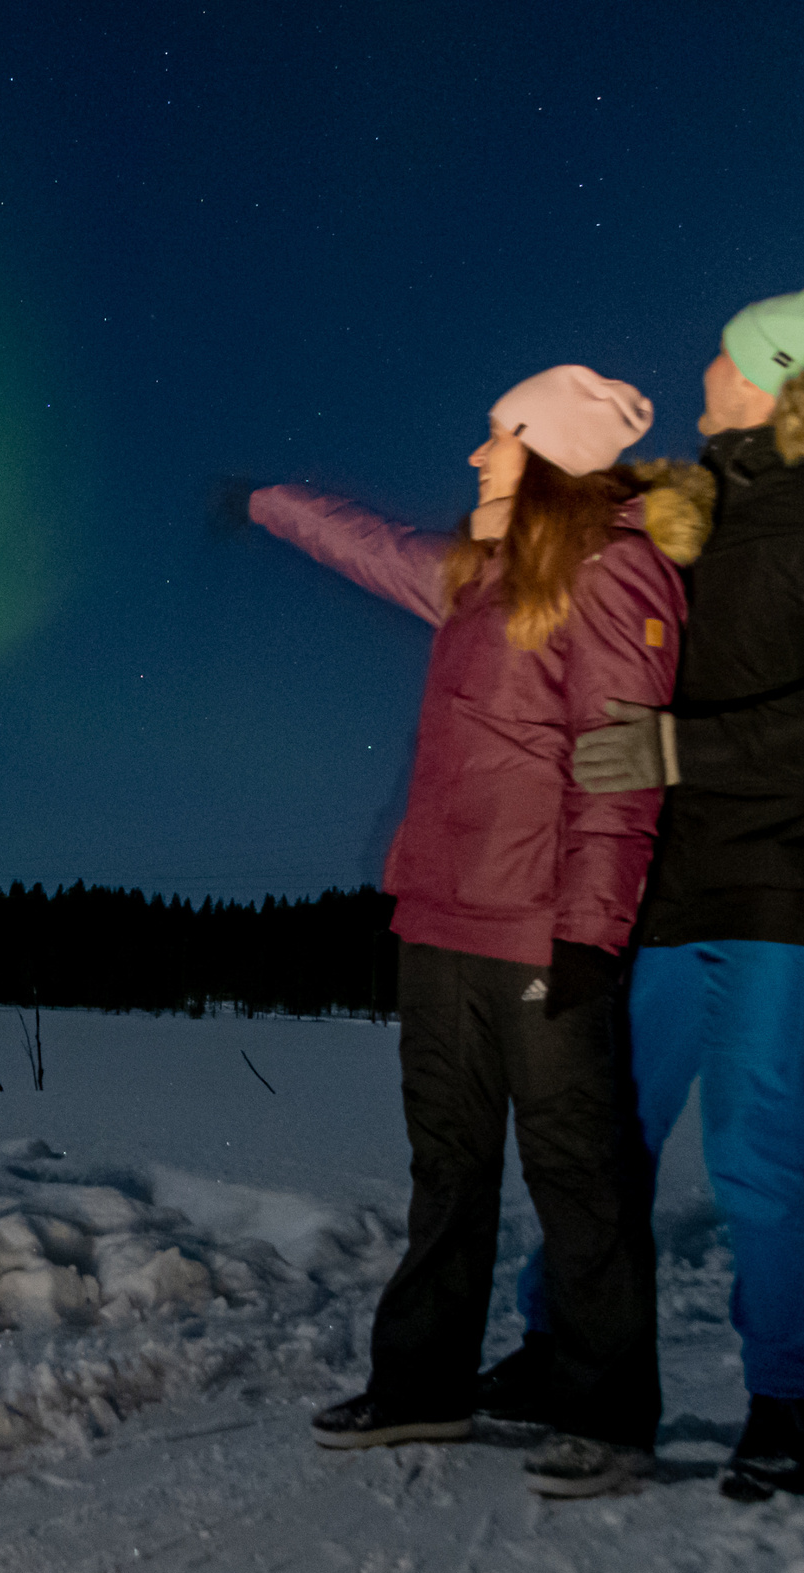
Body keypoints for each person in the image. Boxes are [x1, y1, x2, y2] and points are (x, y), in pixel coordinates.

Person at [241, 365, 709, 1498]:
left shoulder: (615, 571)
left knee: (576, 1175)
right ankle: (421, 1387)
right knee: (446, 1166)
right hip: (440, 915)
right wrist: (269, 500)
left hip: (547, 928)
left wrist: (591, 936)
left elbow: (618, 773)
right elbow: (374, 548)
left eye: (496, 437)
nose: (474, 457)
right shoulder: (476, 578)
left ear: (546, 455)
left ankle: (607, 1414)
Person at [559, 289, 804, 1501]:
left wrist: (683, 753)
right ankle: (557, 1356)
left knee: (754, 1143)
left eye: (725, 353)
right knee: (603, 1133)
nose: (705, 367)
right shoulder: (704, 511)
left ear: (776, 378)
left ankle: (789, 1407)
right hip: (678, 883)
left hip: (793, 877)